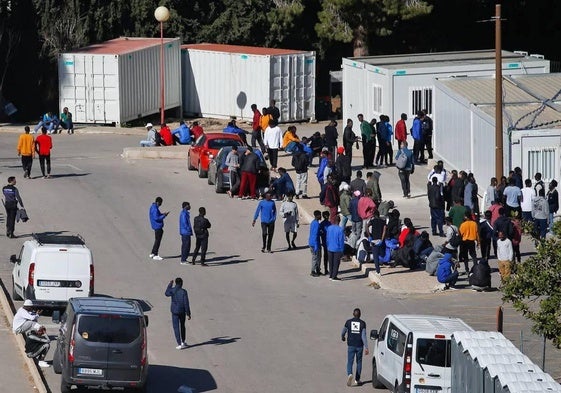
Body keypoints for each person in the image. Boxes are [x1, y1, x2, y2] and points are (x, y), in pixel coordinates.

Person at [341, 308, 369, 387]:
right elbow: (363, 336)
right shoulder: (363, 323)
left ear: (353, 314)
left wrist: (342, 337)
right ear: (360, 315)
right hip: (359, 346)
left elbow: (343, 331)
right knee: (359, 362)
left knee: (350, 361)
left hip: (351, 345)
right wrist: (366, 347)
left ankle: (350, 374)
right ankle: (357, 379)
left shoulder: (348, 322)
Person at [165, 277, 191, 349]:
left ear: (176, 283)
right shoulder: (184, 291)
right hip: (182, 311)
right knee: (182, 326)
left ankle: (179, 343)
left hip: (174, 311)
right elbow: (186, 303)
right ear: (181, 283)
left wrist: (170, 285)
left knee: (176, 327)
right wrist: (188, 314)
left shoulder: (173, 290)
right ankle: (183, 341)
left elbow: (166, 293)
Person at [367, 210, 387, 276]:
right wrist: (382, 239)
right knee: (382, 253)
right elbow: (384, 230)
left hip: (373, 240)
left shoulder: (372, 221)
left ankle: (378, 271)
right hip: (380, 240)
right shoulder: (383, 221)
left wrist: (369, 235)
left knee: (375, 256)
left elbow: (366, 226)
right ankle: (383, 263)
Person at [149, 196, 169, 261]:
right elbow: (156, 218)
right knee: (158, 241)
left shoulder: (154, 207)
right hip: (157, 226)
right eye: (161, 203)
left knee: (157, 240)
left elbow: (157, 214)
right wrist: (164, 216)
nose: (161, 204)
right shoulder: (154, 209)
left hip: (156, 226)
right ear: (158, 202)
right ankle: (155, 254)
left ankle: (152, 253)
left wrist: (162, 214)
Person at [326, 215, 345, 280]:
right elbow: (341, 241)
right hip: (337, 249)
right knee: (336, 263)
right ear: (339, 221)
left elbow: (327, 239)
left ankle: (331, 275)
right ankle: (334, 276)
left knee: (330, 262)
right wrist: (342, 250)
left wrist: (327, 246)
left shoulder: (329, 228)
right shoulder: (340, 229)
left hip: (330, 248)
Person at [308, 210, 322, 277]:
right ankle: (313, 271)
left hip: (311, 242)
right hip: (315, 243)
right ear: (318, 216)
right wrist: (316, 245)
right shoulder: (316, 224)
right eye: (320, 215)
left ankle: (317, 269)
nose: (321, 216)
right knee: (315, 257)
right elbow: (315, 234)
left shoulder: (313, 222)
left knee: (317, 257)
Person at [319, 210, 331, 275]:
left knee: (326, 256)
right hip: (327, 242)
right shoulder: (327, 224)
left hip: (326, 242)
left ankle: (327, 269)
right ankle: (326, 269)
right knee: (327, 256)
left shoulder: (323, 224)